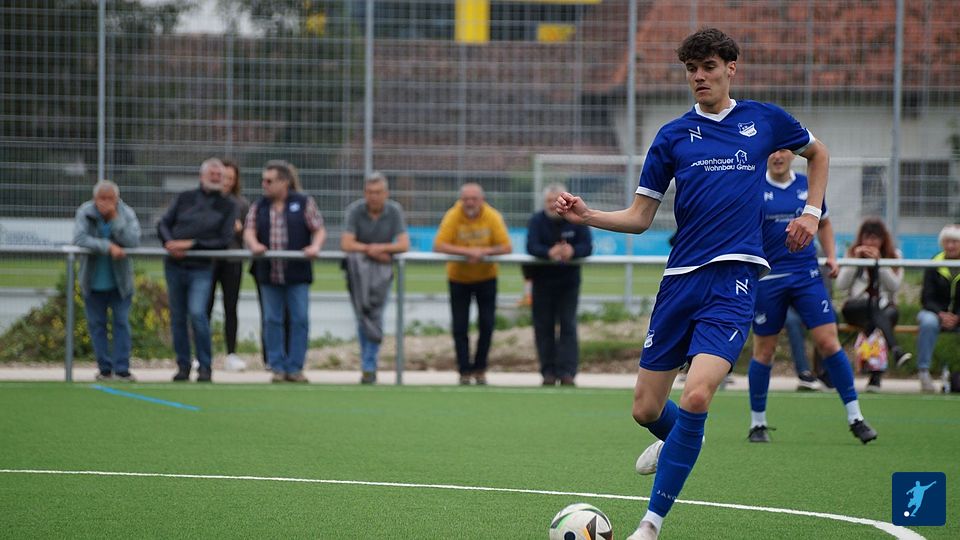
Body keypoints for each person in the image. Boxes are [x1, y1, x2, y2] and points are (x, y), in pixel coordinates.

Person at [555, 28, 829, 540]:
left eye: (708, 67)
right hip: (680, 281)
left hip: (734, 280)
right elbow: (640, 217)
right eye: (691, 69)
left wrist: (812, 212)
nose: (699, 76)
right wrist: (588, 215)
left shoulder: (765, 120)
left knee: (697, 396)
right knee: (646, 409)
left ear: (731, 68)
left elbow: (819, 153)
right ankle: (683, 439)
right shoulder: (672, 136)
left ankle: (650, 526)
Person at [746, 149, 876, 444]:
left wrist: (832, 256)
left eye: (784, 150)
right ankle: (757, 423)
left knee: (828, 342)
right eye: (773, 151)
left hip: (806, 275)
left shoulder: (807, 185)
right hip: (768, 278)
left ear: (793, 154)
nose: (778, 156)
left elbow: (824, 222)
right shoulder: (754, 186)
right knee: (764, 350)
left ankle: (856, 417)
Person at [244, 160, 326, 383]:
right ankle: (277, 367)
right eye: (263, 180)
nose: (264, 184)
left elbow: (318, 229)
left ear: (284, 182)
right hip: (268, 274)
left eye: (269, 181)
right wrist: (254, 245)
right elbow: (249, 230)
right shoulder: (259, 206)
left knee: (299, 319)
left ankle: (295, 367)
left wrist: (315, 247)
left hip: (297, 273)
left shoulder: (303, 203)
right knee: (272, 320)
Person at [158, 158, 237, 383]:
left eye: (219, 175)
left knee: (197, 314)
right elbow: (163, 223)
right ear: (202, 176)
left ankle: (205, 366)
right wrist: (170, 243)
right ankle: (183, 365)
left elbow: (223, 240)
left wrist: (192, 245)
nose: (216, 178)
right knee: (177, 317)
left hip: (201, 268)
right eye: (212, 174)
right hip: (174, 265)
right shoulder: (184, 198)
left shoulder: (228, 205)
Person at [433, 182, 512, 385]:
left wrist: (484, 252)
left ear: (481, 200)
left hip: (487, 277)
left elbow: (506, 246)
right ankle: (464, 371)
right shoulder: (453, 215)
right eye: (466, 199)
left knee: (487, 325)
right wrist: (468, 252)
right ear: (461, 200)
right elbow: (439, 245)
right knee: (460, 326)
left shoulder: (492, 216)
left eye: (474, 199)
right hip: (458, 279)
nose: (470, 203)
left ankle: (480, 368)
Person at [340, 172, 410, 384]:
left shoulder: (394, 211)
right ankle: (367, 364)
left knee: (376, 316)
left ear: (386, 193)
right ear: (365, 193)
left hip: (382, 272)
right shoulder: (355, 210)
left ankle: (369, 365)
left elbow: (403, 244)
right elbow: (347, 243)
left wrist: (381, 249)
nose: (374, 196)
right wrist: (371, 250)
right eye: (370, 192)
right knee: (362, 316)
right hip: (357, 271)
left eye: (378, 192)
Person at [73, 180, 142, 382]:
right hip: (92, 282)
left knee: (121, 323)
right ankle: (104, 369)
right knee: (97, 326)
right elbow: (80, 239)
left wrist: (115, 219)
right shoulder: (85, 212)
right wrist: (108, 247)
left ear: (117, 199)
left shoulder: (126, 213)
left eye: (110, 199)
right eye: (101, 198)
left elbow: (133, 241)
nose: (105, 203)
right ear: (94, 198)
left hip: (120, 283)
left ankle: (122, 369)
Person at [526, 183, 592, 386]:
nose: (551, 205)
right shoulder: (537, 220)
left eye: (555, 201)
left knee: (568, 325)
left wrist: (572, 251)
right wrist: (549, 252)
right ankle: (548, 372)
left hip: (569, 281)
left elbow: (587, 246)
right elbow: (531, 246)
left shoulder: (576, 220)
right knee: (543, 326)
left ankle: (567, 372)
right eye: (548, 201)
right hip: (542, 281)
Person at [836, 217, 908, 391]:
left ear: (883, 240)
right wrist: (856, 261)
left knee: (877, 320)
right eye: (867, 238)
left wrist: (879, 263)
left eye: (875, 238)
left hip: (883, 308)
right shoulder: (852, 253)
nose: (870, 243)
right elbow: (841, 285)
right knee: (876, 314)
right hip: (857, 307)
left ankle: (874, 376)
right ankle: (895, 350)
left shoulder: (894, 255)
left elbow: (894, 286)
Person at [206, 158, 249, 371]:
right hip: (210, 260)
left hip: (232, 260)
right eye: (225, 177)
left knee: (230, 307)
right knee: (204, 306)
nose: (227, 182)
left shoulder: (241, 204)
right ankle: (202, 354)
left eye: (232, 178)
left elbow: (249, 234)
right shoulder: (207, 201)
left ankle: (231, 353)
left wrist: (240, 230)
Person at [915, 224, 960, 392]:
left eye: (955, 242)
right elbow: (926, 297)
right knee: (927, 322)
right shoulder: (934, 263)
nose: (951, 246)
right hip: (935, 313)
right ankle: (923, 371)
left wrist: (957, 316)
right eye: (947, 242)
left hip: (958, 315)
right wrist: (941, 314)